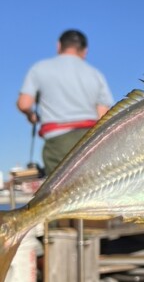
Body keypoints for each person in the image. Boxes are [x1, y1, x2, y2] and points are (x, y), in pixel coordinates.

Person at [17, 29, 113, 175]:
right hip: (90, 140)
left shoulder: (40, 68)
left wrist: (31, 116)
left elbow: (24, 104)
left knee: (61, 192)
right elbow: (103, 116)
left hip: (58, 141)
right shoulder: (96, 74)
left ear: (58, 46)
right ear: (84, 51)